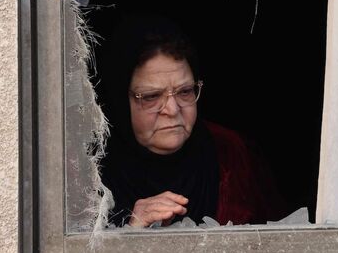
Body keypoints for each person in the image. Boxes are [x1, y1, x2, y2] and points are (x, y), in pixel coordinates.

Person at [97, 15, 287, 227]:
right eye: (151, 96)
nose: (172, 109)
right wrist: (131, 232)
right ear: (120, 103)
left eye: (185, 91)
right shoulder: (89, 173)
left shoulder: (232, 153)